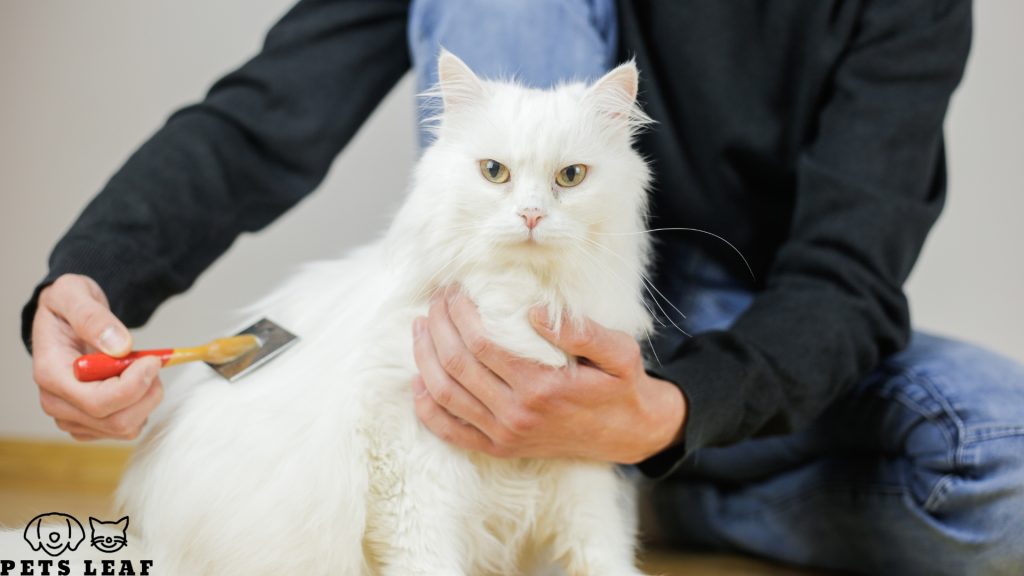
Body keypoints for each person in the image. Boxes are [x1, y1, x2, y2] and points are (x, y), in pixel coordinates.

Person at [22, 0, 1024, 573]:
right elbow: (268, 115)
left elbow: (847, 276)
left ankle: (652, 485)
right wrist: (94, 273)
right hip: (514, 298)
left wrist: (672, 414)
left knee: (1005, 464)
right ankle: (514, 437)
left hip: (750, 331)